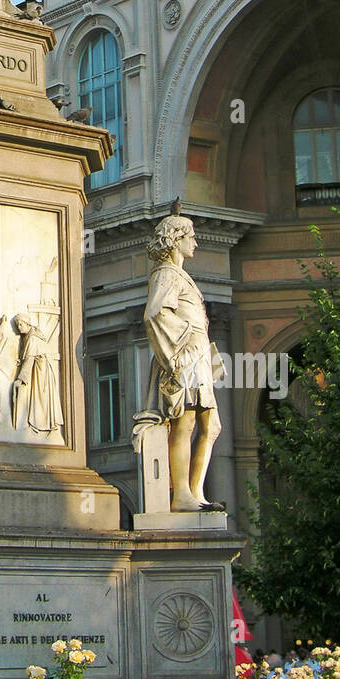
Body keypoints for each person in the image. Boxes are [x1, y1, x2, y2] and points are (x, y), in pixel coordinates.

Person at [133, 208, 225, 511]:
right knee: (183, 423)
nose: (196, 243)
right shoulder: (166, 275)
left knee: (211, 426)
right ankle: (182, 494)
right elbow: (155, 314)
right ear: (175, 240)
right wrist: (177, 352)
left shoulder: (179, 275)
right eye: (191, 237)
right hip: (184, 356)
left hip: (196, 355)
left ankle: (195, 492)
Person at [11, 315, 63, 434]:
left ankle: (42, 424)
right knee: (40, 396)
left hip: (42, 370)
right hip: (40, 367)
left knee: (40, 396)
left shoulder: (33, 337)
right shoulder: (30, 334)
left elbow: (29, 359)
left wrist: (20, 379)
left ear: (27, 324)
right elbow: (28, 355)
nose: (19, 327)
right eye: (17, 325)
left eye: (21, 324)